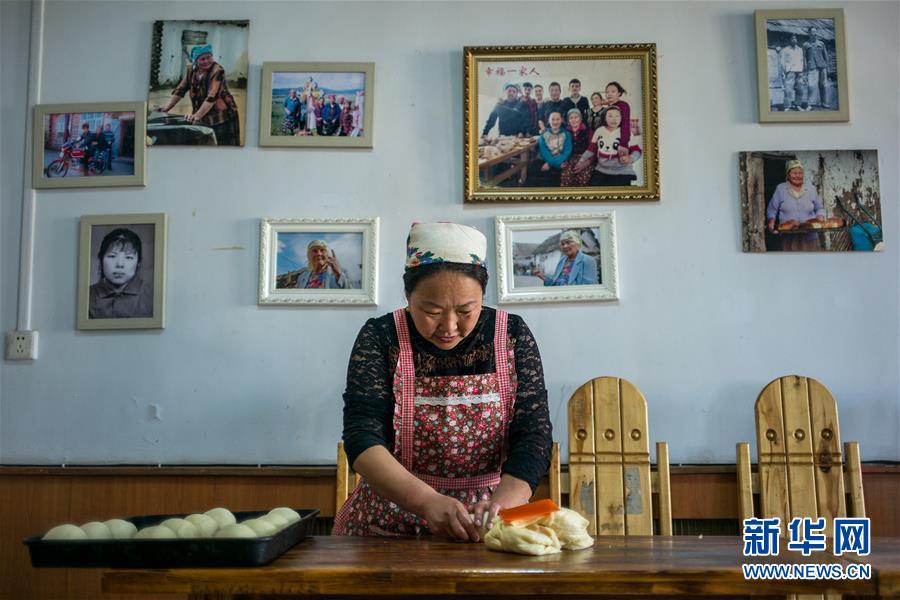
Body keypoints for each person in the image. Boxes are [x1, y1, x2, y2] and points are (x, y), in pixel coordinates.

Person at [333, 222, 551, 540]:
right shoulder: (381, 337)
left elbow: (534, 436)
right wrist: (426, 502)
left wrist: (501, 506)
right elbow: (362, 438)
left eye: (465, 310)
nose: (449, 327)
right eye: (432, 311)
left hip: (487, 524)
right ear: (408, 296)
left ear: (482, 297)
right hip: (390, 521)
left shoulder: (511, 335)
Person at [156, 44, 241, 145]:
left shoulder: (218, 71)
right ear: (195, 60)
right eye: (202, 59)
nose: (206, 61)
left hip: (221, 116)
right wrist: (167, 107)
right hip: (203, 112)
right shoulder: (191, 69)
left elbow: (212, 97)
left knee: (223, 146)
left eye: (209, 57)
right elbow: (180, 90)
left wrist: (197, 115)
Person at [89, 228, 153, 319]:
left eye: (128, 257)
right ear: (101, 260)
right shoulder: (86, 296)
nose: (119, 264)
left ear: (138, 263)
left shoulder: (151, 296)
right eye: (112, 256)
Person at [574, 105, 641, 186]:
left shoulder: (626, 132)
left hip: (622, 171)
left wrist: (631, 158)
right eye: (610, 116)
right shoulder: (599, 131)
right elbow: (591, 149)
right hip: (601, 170)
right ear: (604, 118)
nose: (614, 119)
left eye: (617, 116)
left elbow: (637, 150)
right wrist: (581, 160)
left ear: (621, 118)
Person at [766, 159, 825, 251]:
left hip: (810, 236)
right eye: (794, 173)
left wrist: (820, 217)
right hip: (789, 238)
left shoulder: (811, 189)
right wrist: (771, 221)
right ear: (788, 174)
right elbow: (772, 209)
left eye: (800, 173)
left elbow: (819, 208)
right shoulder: (781, 189)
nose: (797, 176)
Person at [531, 230, 598, 286]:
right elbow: (555, 282)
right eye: (562, 244)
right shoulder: (562, 260)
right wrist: (542, 276)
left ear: (577, 244)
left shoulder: (588, 261)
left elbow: (589, 288)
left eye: (568, 242)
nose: (565, 246)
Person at [560, 109, 591, 187]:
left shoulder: (588, 131)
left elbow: (592, 149)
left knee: (582, 178)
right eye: (571, 118)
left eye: (576, 117)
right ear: (568, 121)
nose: (573, 120)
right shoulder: (565, 132)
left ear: (580, 118)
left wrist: (586, 162)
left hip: (584, 158)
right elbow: (561, 148)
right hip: (569, 158)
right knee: (566, 177)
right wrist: (562, 160)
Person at [536, 111, 571, 176]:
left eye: (558, 119)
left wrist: (550, 164)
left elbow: (567, 152)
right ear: (549, 120)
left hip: (560, 161)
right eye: (552, 119)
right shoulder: (544, 134)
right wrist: (554, 163)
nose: (555, 122)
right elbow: (544, 152)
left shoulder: (567, 134)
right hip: (546, 161)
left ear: (561, 120)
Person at [803, 27, 830, 109]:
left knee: (824, 84)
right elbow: (804, 58)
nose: (815, 33)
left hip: (822, 66)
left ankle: (824, 102)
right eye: (813, 32)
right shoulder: (805, 44)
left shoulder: (821, 43)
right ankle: (811, 103)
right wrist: (805, 68)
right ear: (809, 33)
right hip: (812, 66)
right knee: (811, 85)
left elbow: (826, 55)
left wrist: (827, 66)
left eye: (815, 32)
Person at [601, 82, 631, 152]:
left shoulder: (623, 105)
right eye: (607, 92)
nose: (609, 94)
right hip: (607, 143)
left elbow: (625, 125)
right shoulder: (608, 107)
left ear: (619, 93)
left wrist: (623, 144)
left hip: (619, 143)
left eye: (613, 91)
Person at [780, 35, 806, 111]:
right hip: (790, 72)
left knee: (800, 89)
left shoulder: (800, 49)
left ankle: (798, 105)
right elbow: (782, 62)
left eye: (795, 38)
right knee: (788, 90)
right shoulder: (785, 50)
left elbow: (802, 60)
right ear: (789, 40)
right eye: (792, 38)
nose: (794, 40)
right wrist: (783, 71)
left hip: (799, 71)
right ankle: (787, 106)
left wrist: (802, 70)